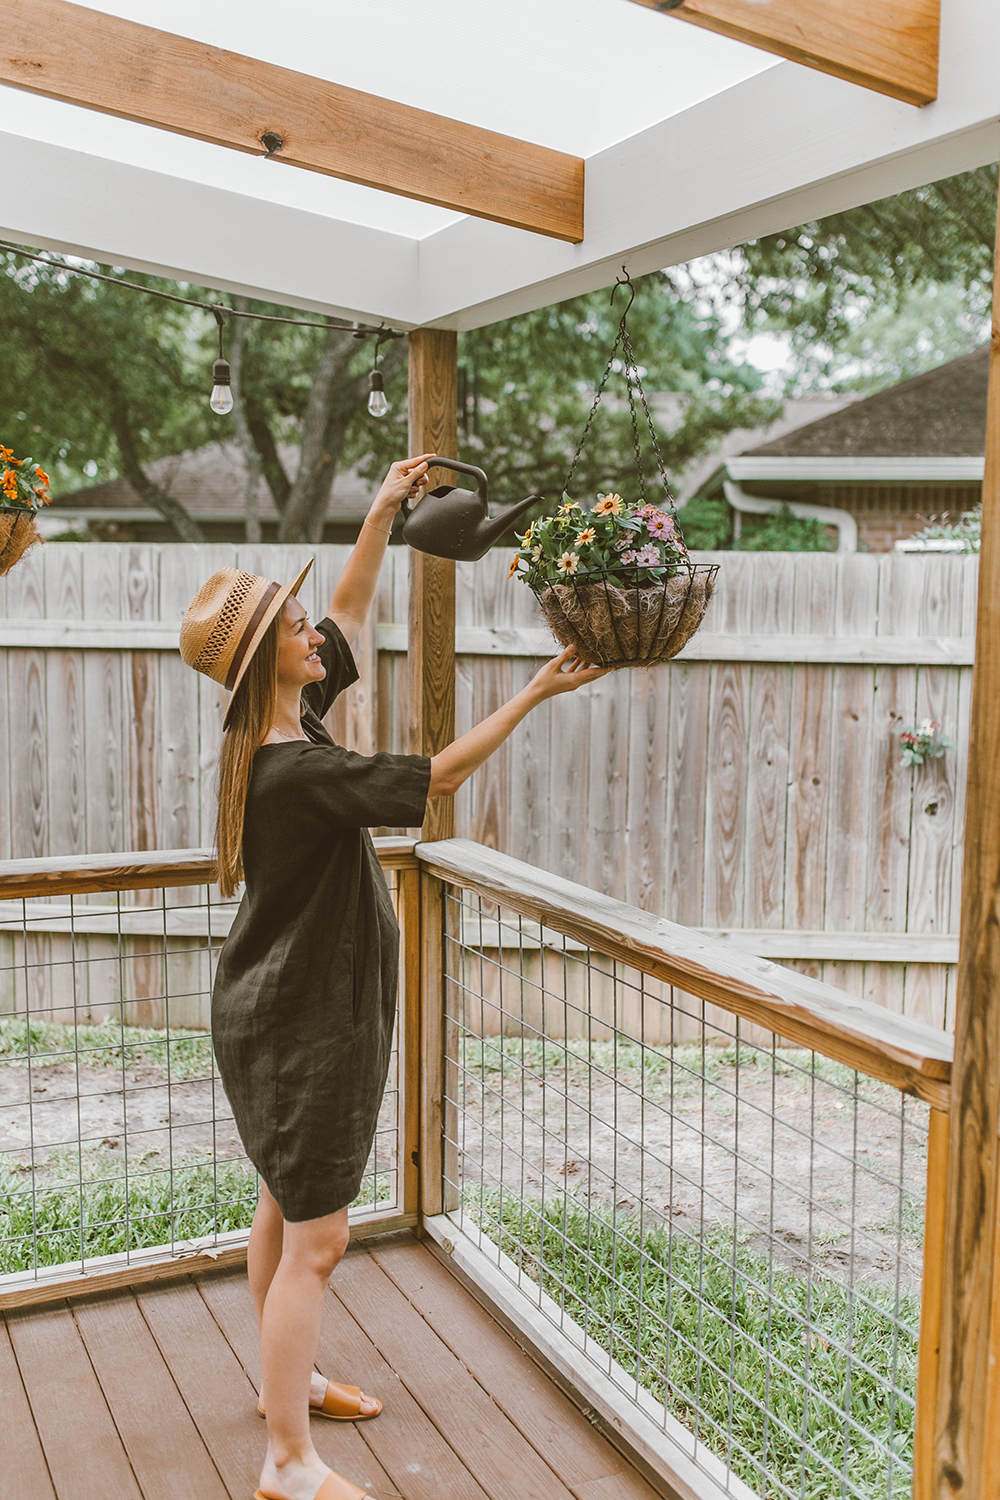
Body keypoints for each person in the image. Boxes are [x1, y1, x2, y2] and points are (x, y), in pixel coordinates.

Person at [179, 454, 608, 1500]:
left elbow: (350, 607)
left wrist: (378, 508)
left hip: (283, 1007)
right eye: (291, 630)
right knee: (318, 1239)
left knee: (286, 1208)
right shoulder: (302, 772)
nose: (312, 635)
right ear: (265, 669)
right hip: (300, 1019)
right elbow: (442, 773)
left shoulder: (285, 736)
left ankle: (292, 1385)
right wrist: (538, 691)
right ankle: (285, 1461)